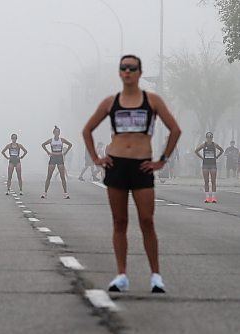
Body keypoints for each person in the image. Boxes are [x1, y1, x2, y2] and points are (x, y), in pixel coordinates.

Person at [82, 55, 181, 293]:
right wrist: (96, 159)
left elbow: (175, 130)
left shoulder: (152, 100)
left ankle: (156, 275)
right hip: (117, 165)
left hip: (141, 166)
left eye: (132, 68)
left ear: (139, 72)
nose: (127, 71)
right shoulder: (110, 102)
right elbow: (87, 130)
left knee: (147, 220)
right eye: (123, 68)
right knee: (120, 221)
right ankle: (121, 275)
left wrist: (162, 161)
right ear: (119, 73)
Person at [41, 126, 73, 199]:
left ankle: (65, 193)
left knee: (62, 176)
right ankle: (45, 193)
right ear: (53, 133)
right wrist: (48, 152)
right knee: (49, 175)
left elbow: (70, 144)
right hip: (53, 157)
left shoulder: (62, 140)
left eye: (58, 132)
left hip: (59, 157)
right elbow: (43, 145)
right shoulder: (51, 140)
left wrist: (65, 152)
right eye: (56, 132)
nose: (57, 133)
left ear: (59, 133)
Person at [195, 132, 223, 203]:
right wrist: (202, 157)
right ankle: (207, 197)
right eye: (208, 137)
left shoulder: (214, 145)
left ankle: (213, 197)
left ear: (212, 138)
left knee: (213, 181)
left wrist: (217, 156)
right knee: (206, 181)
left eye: (210, 137)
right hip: (205, 165)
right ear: (206, 138)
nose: (209, 138)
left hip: (213, 164)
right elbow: (196, 151)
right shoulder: (204, 145)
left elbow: (222, 150)